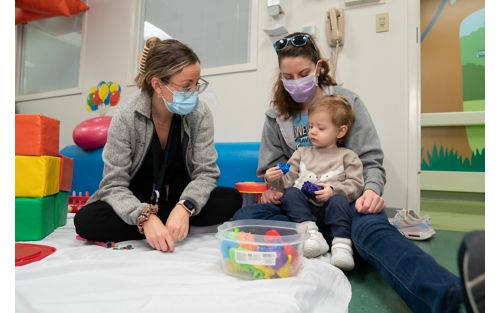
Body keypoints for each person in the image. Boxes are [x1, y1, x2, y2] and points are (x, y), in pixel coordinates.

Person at [232, 32, 463, 313]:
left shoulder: (347, 103)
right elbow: (273, 169)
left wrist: (371, 192)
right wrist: (272, 186)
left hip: (346, 203)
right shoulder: (276, 116)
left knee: (374, 231)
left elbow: (371, 162)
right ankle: (337, 243)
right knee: (244, 219)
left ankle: (451, 299)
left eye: (303, 74)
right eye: (287, 77)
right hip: (300, 210)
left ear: (318, 67)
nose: (295, 83)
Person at [74, 37, 242, 252]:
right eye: (186, 86)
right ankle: (162, 226)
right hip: (135, 201)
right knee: (87, 220)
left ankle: (173, 221)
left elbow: (206, 173)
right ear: (157, 85)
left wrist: (185, 207)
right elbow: (113, 185)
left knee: (230, 199)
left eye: (196, 84)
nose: (194, 92)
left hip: (178, 201)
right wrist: (144, 217)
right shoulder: (126, 117)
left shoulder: (199, 114)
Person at [264, 95, 363, 271]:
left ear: (340, 132)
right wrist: (274, 178)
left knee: (339, 200)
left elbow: (356, 185)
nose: (312, 132)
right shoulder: (301, 153)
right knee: (291, 194)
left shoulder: (348, 156)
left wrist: (333, 190)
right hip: (304, 211)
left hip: (331, 209)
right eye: (310, 126)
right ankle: (311, 236)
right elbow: (287, 183)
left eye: (320, 128)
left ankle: (342, 246)